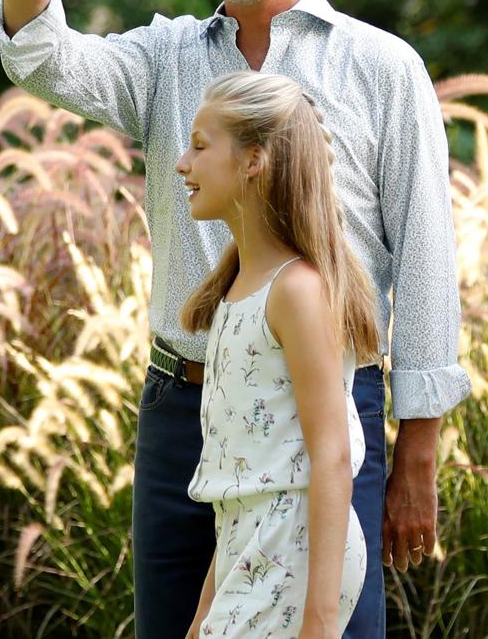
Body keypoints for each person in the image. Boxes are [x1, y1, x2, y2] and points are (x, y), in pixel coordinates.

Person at [0, 0, 471, 639]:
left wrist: (415, 451)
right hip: (183, 416)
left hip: (329, 416)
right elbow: (37, 55)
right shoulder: (165, 59)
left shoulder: (382, 67)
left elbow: (427, 257)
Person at [176, 71, 378, 637]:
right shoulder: (239, 290)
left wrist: (318, 621)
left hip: (295, 551)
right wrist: (202, 617)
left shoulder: (297, 291)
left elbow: (331, 458)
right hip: (250, 545)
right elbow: (246, 483)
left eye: (199, 145)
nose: (181, 164)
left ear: (253, 160)